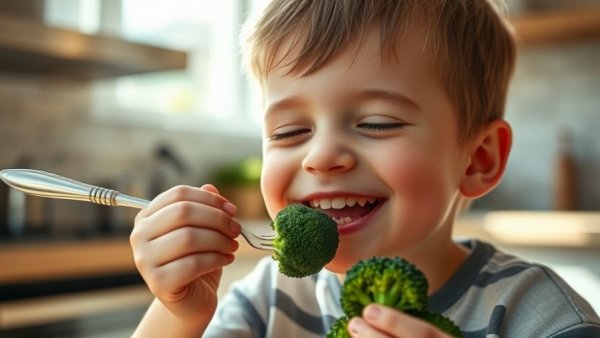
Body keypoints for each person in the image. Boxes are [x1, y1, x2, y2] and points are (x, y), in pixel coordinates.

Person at [130, 1, 600, 337]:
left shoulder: (542, 318)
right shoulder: (268, 302)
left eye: (377, 123)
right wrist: (178, 316)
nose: (320, 156)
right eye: (289, 132)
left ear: (479, 159)